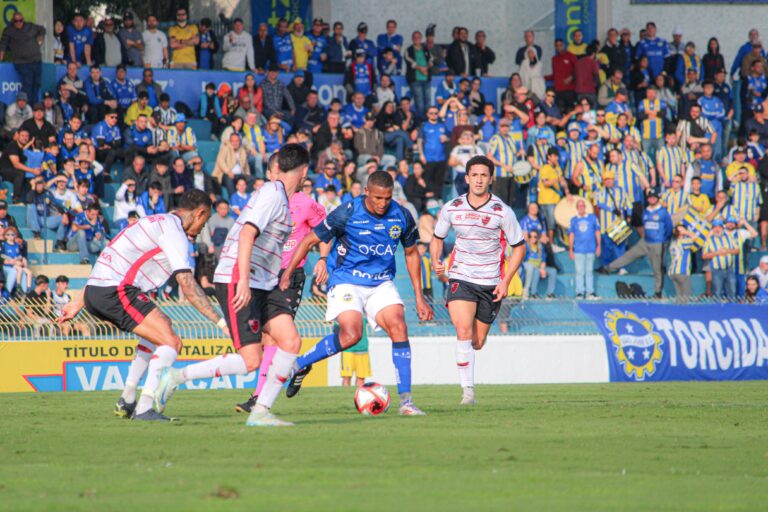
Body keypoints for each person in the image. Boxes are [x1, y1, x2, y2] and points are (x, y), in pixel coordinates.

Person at [157, 145, 311, 427]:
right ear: (304, 172)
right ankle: (175, 377)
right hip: (240, 279)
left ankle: (261, 412)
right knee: (251, 361)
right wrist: (242, 281)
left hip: (263, 283)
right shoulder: (272, 193)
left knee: (290, 341)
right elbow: (247, 233)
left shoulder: (280, 198)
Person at [58, 190, 223, 421]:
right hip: (116, 290)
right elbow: (187, 284)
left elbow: (113, 255)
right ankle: (145, 407)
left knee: (163, 324)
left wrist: (80, 299)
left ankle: (127, 398)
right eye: (204, 222)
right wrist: (221, 322)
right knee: (171, 342)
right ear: (200, 213)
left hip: (98, 289)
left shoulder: (152, 222)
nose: (202, 228)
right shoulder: (173, 231)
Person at [279, 170, 433, 415]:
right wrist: (287, 273)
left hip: (381, 282)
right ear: (367, 192)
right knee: (351, 334)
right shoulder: (347, 212)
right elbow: (309, 240)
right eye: (378, 198)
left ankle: (406, 402)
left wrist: (419, 296)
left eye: (387, 198)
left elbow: (412, 254)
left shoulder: (401, 215)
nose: (383, 203)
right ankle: (300, 364)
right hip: (345, 279)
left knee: (399, 326)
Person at [234, 153, 328, 413]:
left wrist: (322, 258)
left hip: (290, 274)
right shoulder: (265, 198)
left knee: (274, 337)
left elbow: (325, 230)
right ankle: (277, 382)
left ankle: (259, 398)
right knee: (266, 337)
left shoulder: (306, 203)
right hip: (265, 274)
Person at [429, 155, 525, 404]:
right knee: (462, 330)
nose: (479, 179)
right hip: (460, 275)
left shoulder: (503, 212)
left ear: (491, 178)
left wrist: (505, 282)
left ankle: (468, 373)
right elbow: (437, 237)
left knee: (477, 341)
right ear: (467, 177)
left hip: (490, 282)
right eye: (475, 175)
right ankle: (467, 392)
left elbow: (520, 248)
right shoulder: (452, 207)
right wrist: (436, 260)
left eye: (484, 175)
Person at [601, 188, 673, 298]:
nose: (652, 199)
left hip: (657, 242)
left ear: (657, 198)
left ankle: (658, 293)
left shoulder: (663, 212)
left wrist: (662, 239)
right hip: (645, 241)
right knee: (629, 255)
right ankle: (608, 268)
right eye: (650, 197)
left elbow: (669, 227)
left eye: (654, 197)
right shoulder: (646, 211)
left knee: (657, 268)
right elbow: (644, 225)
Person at [0, 11, 46, 104]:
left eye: (20, 20)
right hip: (22, 63)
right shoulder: (8, 30)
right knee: (27, 85)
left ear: (23, 20)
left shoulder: (30, 26)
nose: (18, 22)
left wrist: (41, 39)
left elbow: (42, 30)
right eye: (16, 21)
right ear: (13, 21)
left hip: (36, 60)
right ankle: (27, 108)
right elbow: (3, 46)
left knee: (37, 85)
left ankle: (35, 109)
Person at [568, 198, 601, 299]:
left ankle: (590, 292)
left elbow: (597, 232)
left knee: (589, 271)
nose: (581, 208)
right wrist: (570, 249)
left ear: (585, 207)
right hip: (578, 250)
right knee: (579, 272)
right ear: (577, 208)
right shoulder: (573, 220)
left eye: (583, 206)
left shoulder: (592, 218)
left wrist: (599, 245)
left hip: (590, 249)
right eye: (579, 206)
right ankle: (579, 292)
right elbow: (571, 235)